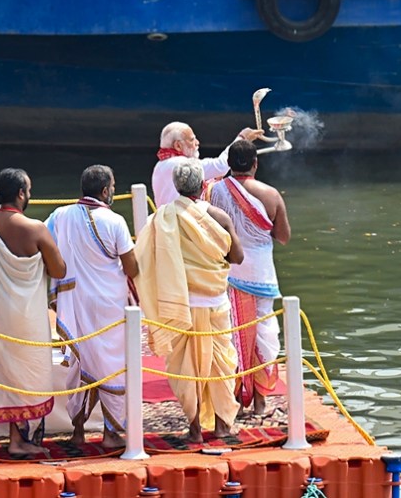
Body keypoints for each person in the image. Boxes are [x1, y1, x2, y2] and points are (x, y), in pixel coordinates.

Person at [135, 159, 244, 443]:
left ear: (176, 186)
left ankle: (195, 429)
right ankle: (221, 426)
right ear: (202, 185)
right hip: (215, 301)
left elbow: (145, 259)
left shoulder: (161, 218)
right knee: (221, 364)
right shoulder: (218, 217)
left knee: (184, 367)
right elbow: (238, 257)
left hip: (179, 304)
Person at [0, 168, 66, 455]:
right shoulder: (35, 229)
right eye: (28, 190)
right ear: (20, 193)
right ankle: (18, 441)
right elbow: (59, 269)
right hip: (25, 319)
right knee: (23, 377)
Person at [45, 165, 138, 449]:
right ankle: (111, 433)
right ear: (106, 190)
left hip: (74, 303)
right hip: (108, 305)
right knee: (111, 365)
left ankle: (78, 432)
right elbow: (131, 267)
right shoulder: (115, 221)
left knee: (80, 362)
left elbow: (46, 245)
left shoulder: (60, 215)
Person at [206, 140, 291, 415]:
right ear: (255, 163)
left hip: (229, 271)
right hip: (262, 274)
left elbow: (211, 230)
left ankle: (233, 400)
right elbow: (284, 237)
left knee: (232, 334)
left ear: (229, 165)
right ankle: (260, 402)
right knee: (264, 335)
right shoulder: (271, 194)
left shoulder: (216, 190)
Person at [151, 122, 264, 207]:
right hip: (181, 225)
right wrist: (242, 138)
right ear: (178, 146)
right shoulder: (181, 164)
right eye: (192, 140)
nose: (197, 143)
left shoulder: (159, 166)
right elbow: (220, 166)